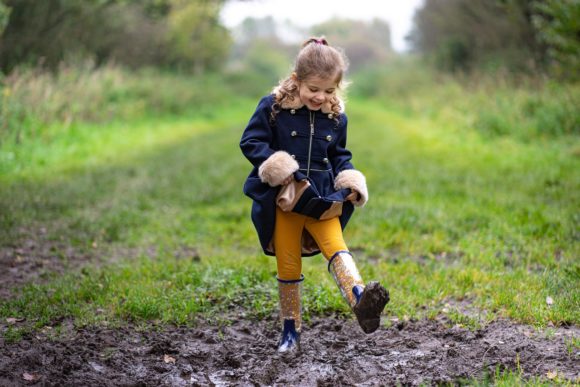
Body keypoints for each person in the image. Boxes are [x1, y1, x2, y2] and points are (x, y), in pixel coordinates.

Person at [240, 37, 389, 353]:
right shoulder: (273, 108)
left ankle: (361, 300)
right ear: (296, 80)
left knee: (336, 246)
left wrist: (349, 179)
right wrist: (276, 165)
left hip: (322, 198)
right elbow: (251, 142)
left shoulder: (336, 117)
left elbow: (339, 155)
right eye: (313, 90)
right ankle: (290, 331)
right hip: (286, 198)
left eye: (329, 91)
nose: (321, 97)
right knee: (289, 262)